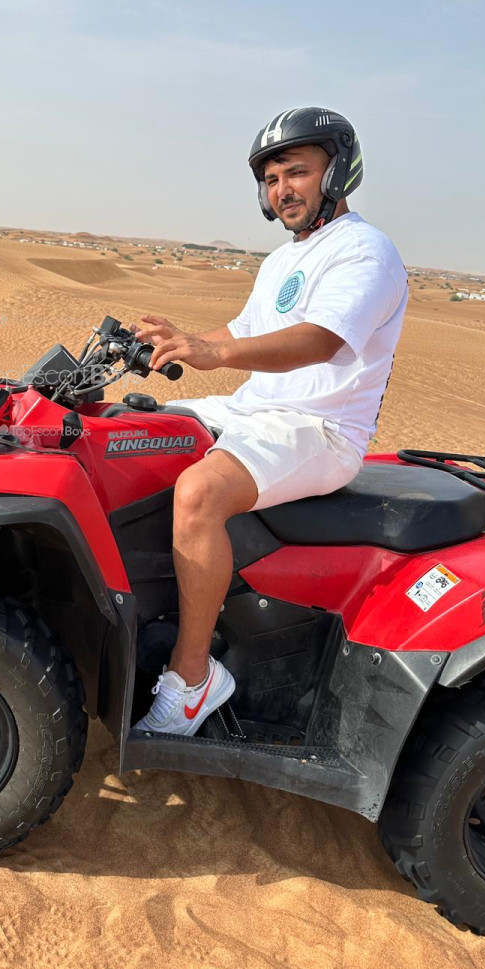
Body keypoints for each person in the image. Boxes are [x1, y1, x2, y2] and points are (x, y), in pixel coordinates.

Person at [133, 107, 408, 736]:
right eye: (272, 178)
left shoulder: (365, 251)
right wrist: (177, 342)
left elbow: (321, 340)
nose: (282, 188)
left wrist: (214, 354)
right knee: (132, 432)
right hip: (256, 409)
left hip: (320, 428)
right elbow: (240, 332)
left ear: (336, 173)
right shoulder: (285, 259)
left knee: (199, 492)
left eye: (297, 172)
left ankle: (192, 678)